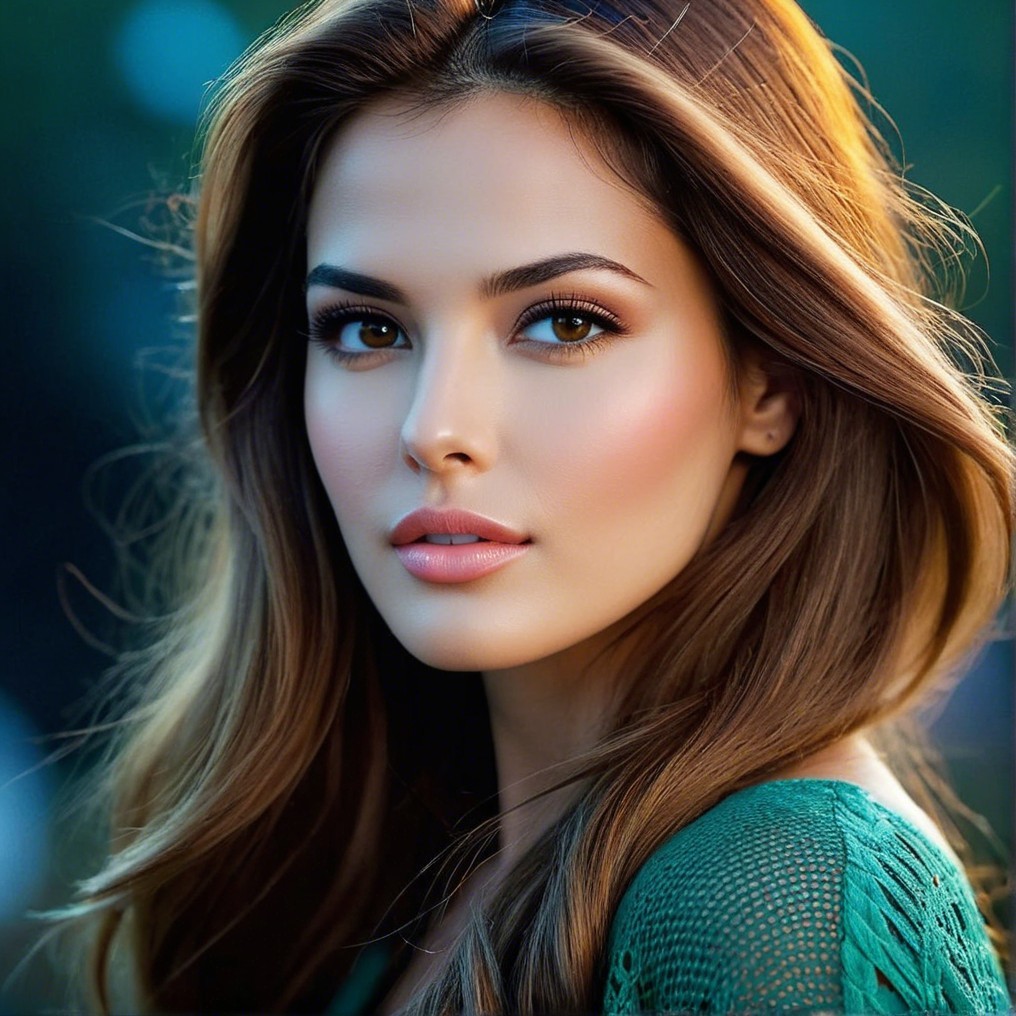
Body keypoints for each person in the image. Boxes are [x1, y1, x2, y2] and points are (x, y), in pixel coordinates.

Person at [53, 0, 1012, 1012]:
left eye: (562, 321)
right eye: (366, 329)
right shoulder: (413, 878)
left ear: (769, 380)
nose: (433, 427)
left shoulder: (780, 899)